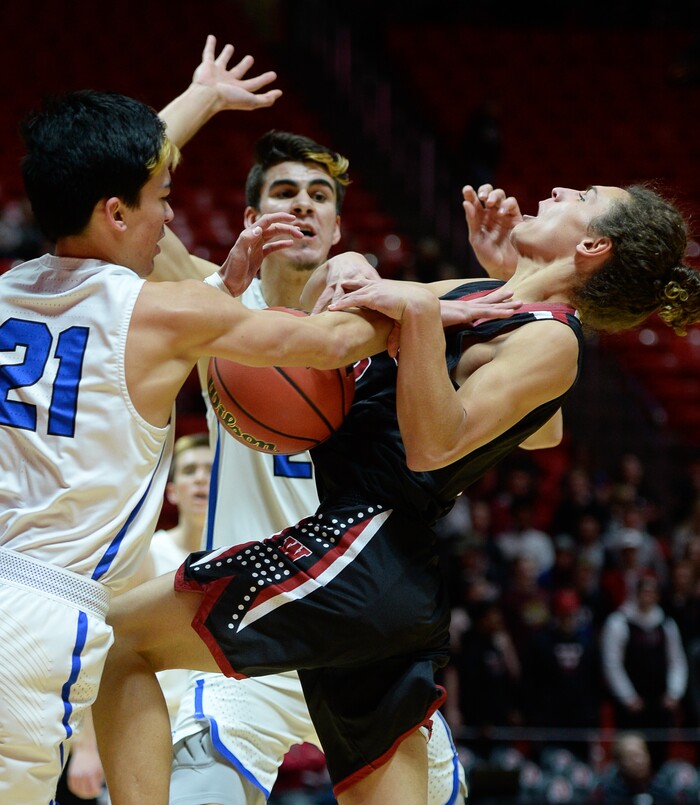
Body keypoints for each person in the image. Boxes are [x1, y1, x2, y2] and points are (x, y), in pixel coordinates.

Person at [93, 153, 700, 803]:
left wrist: (411, 313)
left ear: (591, 243)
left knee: (118, 638)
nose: (557, 188)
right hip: (388, 581)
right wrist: (391, 272)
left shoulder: (553, 341)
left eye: (581, 192)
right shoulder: (494, 303)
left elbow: (436, 446)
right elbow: (541, 426)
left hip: (360, 548)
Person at [0, 36, 437, 804]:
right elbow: (335, 339)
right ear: (117, 210)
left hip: (348, 626)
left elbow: (112, 177)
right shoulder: (174, 306)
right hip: (79, 613)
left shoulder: (14, 291)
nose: (168, 212)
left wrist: (200, 99)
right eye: (161, 200)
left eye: (320, 196)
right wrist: (438, 302)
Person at [151, 43, 469, 805]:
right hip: (249, 616)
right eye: (285, 191)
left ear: (336, 224)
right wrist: (198, 100)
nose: (302, 204)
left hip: (359, 627)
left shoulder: (396, 325)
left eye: (319, 195)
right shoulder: (211, 298)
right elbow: (112, 185)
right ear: (254, 215)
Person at [64, 433, 214, 801]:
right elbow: (102, 647)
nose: (200, 478)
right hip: (144, 728)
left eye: (210, 470)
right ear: (173, 491)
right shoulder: (149, 554)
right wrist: (86, 747)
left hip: (216, 731)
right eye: (190, 470)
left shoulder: (240, 556)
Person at [600, 573, 688, 770]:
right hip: (631, 704)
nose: (647, 596)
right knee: (630, 753)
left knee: (658, 754)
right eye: (644, 591)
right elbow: (612, 664)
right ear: (636, 593)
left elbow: (677, 661)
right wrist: (628, 697)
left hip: (659, 700)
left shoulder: (666, 623)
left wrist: (674, 693)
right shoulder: (619, 622)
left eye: (652, 592)